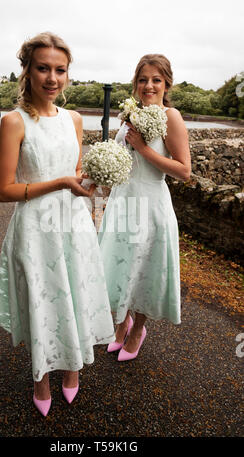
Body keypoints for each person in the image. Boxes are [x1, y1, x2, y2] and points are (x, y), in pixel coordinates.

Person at [0, 32, 114, 416]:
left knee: (74, 292)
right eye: (43, 68)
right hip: (34, 226)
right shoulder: (14, 122)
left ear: (67, 74)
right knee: (42, 298)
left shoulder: (75, 119)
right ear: (27, 71)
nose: (52, 78)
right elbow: (4, 190)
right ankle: (40, 377)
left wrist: (90, 180)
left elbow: (75, 172)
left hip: (74, 222)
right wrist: (61, 182)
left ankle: (73, 369)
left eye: (60, 70)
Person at [98, 54, 191, 361]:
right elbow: (119, 156)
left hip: (151, 204)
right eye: (142, 79)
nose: (148, 85)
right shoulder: (129, 114)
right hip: (122, 200)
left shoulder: (171, 116)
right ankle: (120, 323)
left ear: (166, 84)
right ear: (135, 83)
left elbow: (183, 171)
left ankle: (137, 329)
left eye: (156, 80)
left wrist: (144, 149)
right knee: (116, 263)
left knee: (143, 268)